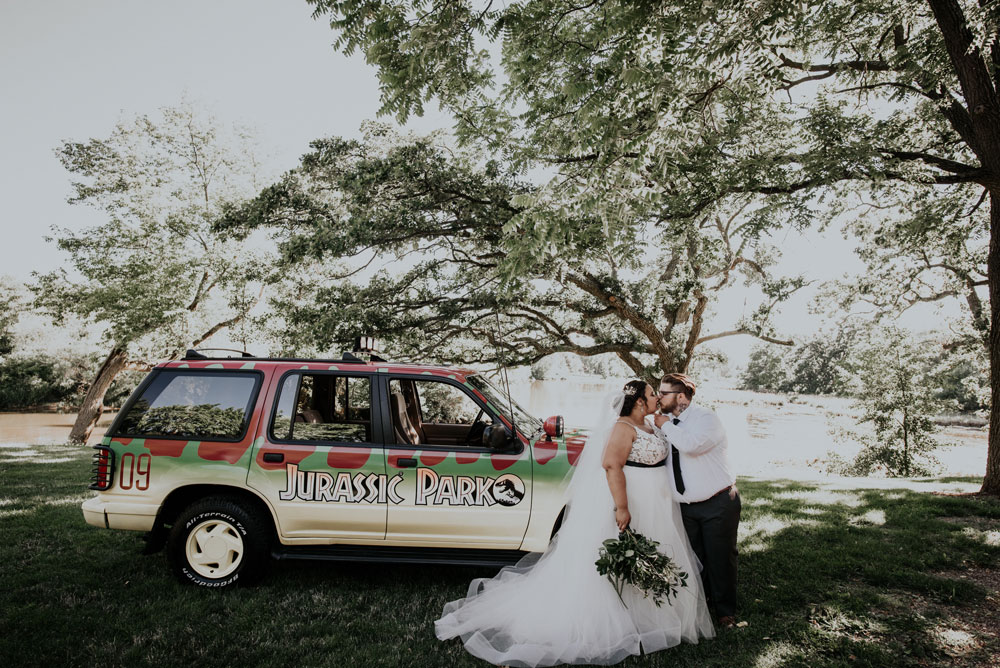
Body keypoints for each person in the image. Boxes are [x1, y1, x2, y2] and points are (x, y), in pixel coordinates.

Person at [435, 380, 714, 667]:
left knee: (652, 550)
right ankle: (618, 615)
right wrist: (622, 507)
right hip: (633, 499)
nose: (657, 397)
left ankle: (649, 610)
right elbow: (611, 465)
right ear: (640, 402)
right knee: (623, 555)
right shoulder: (622, 428)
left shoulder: (653, 425)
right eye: (652, 394)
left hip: (657, 502)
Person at [652, 373, 741, 628]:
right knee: (692, 558)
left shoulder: (706, 419)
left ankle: (725, 612)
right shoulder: (667, 421)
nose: (659, 397)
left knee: (720, 557)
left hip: (718, 502)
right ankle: (698, 606)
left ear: (680, 397)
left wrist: (664, 426)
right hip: (685, 506)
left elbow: (690, 446)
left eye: (663, 392)